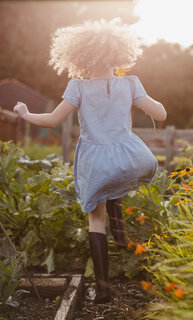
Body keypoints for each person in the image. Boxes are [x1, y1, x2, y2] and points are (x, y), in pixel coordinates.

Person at [13, 18, 167, 304]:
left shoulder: (78, 86)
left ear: (80, 55)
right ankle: (121, 237)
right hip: (129, 157)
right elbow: (160, 115)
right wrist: (144, 99)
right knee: (117, 179)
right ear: (120, 53)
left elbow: (52, 120)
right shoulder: (131, 83)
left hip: (96, 161)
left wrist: (25, 113)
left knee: (96, 219)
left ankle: (104, 289)